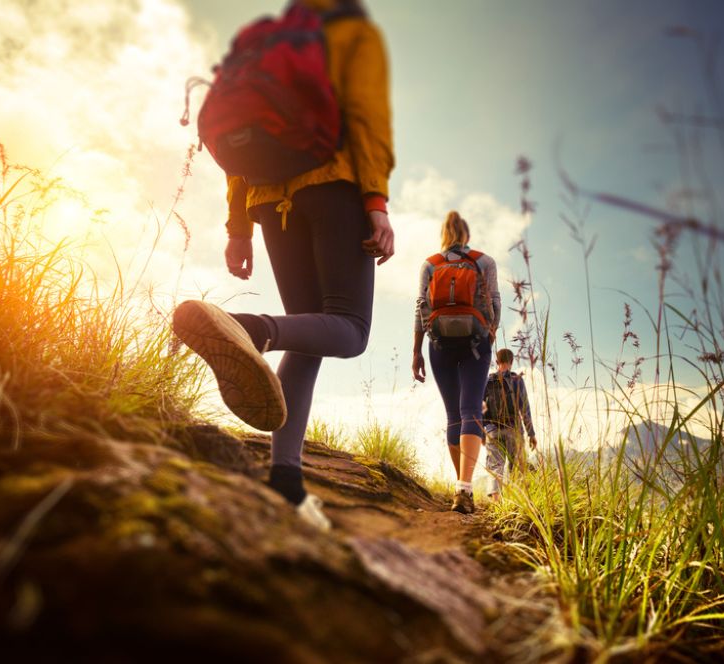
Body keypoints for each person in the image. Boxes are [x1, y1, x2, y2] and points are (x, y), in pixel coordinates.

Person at [172, 0, 394, 533]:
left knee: (310, 335)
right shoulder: (351, 33)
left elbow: (241, 151)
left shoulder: (266, 39)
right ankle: (250, 330)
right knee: (350, 329)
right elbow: (366, 116)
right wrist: (377, 204)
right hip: (333, 189)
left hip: (269, 202)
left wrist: (238, 228)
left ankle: (286, 483)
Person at [412, 211, 500, 515]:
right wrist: (490, 335)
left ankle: (461, 487)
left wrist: (417, 351)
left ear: (444, 235)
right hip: (476, 344)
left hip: (439, 345)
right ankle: (464, 486)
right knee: (471, 410)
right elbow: (496, 303)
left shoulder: (430, 264)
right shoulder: (484, 261)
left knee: (453, 415)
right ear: (467, 235)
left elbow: (420, 308)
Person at [483, 348, 537, 500]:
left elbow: (481, 407)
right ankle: (517, 502)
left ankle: (496, 501)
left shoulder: (487, 381)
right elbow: (524, 408)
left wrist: (482, 432)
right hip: (514, 429)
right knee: (517, 466)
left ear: (496, 361)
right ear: (511, 362)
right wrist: (531, 433)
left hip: (492, 429)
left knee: (495, 465)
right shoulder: (517, 380)